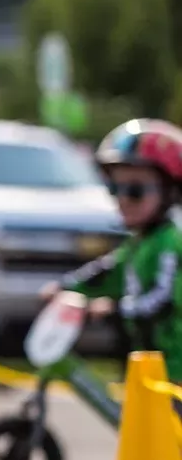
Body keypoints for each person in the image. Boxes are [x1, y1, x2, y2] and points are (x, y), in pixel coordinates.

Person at [41, 118, 182, 383]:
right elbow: (105, 273)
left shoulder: (168, 243)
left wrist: (114, 309)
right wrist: (66, 287)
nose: (122, 199)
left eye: (135, 190)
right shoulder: (136, 245)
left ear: (170, 191)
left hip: (174, 371)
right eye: (114, 188)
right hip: (146, 364)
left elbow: (162, 298)